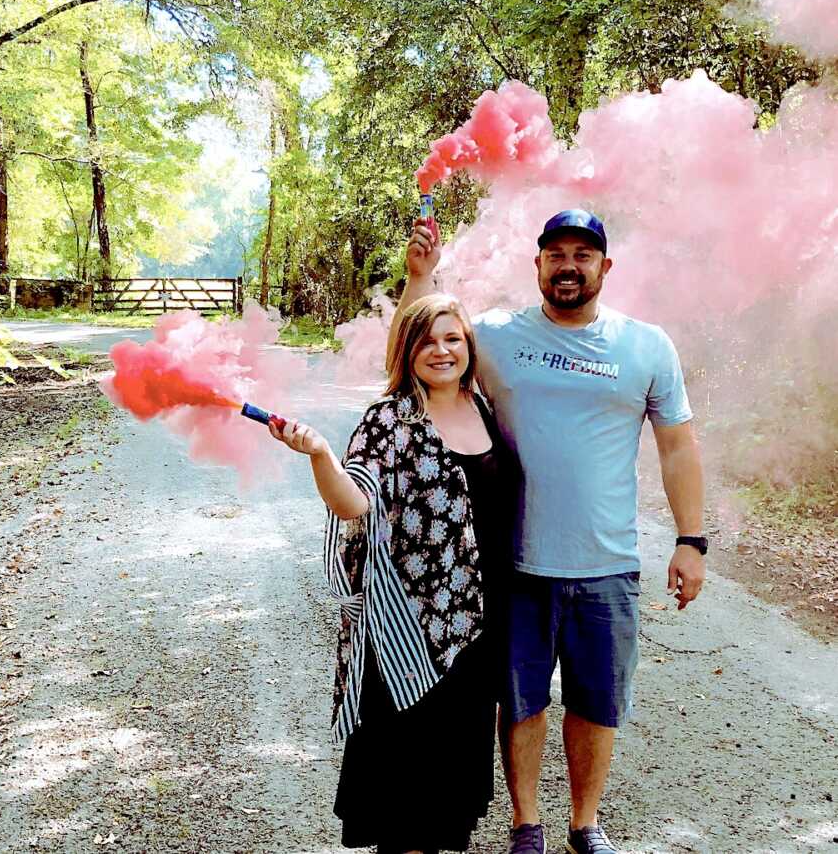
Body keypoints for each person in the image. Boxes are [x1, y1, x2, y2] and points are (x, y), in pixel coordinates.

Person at [391, 209, 706, 854]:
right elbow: (425, 347)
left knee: (597, 703)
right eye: (555, 253)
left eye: (582, 255)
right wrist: (419, 278)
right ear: (537, 265)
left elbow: (676, 446)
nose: (568, 265)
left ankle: (585, 824)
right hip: (514, 563)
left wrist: (690, 538)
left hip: (608, 564)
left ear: (605, 267)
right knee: (521, 700)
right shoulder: (499, 335)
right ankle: (526, 824)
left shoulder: (646, 346)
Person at [270, 293, 519, 854]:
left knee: (448, 793)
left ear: (469, 347)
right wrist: (320, 458)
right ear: (406, 350)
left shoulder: (484, 410)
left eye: (452, 338)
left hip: (476, 628)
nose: (441, 350)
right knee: (406, 799)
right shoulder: (388, 421)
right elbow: (354, 502)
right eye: (426, 340)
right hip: (406, 631)